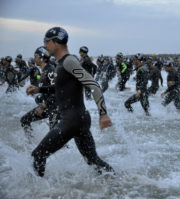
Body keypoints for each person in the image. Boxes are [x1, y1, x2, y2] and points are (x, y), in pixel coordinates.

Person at [26, 27, 113, 177]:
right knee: (93, 161)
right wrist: (39, 90)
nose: (45, 46)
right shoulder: (61, 63)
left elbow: (93, 85)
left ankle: (39, 192)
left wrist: (103, 114)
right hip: (79, 119)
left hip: (72, 120)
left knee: (38, 155)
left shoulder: (69, 61)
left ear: (55, 43)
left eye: (46, 42)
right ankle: (117, 184)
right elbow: (60, 88)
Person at [20, 47, 57, 139]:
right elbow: (45, 86)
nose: (34, 58)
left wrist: (43, 106)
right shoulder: (43, 71)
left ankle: (68, 152)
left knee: (54, 138)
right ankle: (31, 144)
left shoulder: (51, 70)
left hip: (56, 108)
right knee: (24, 120)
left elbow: (57, 91)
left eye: (35, 56)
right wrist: (36, 88)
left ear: (42, 57)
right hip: (49, 106)